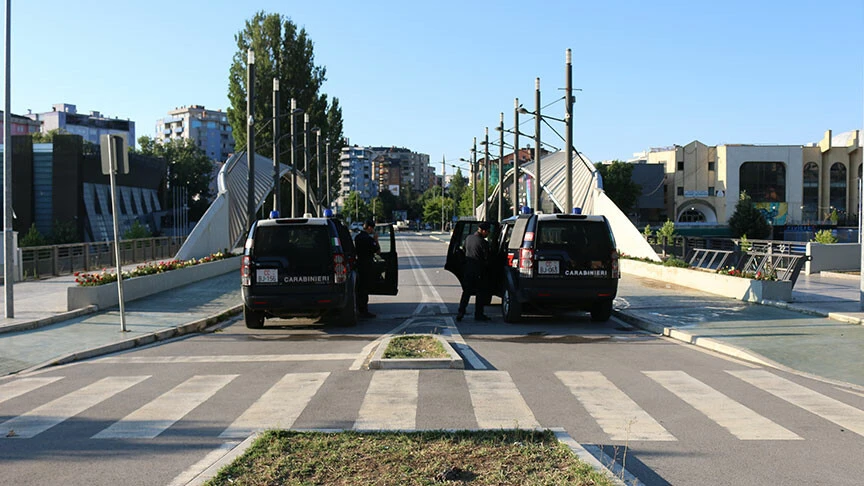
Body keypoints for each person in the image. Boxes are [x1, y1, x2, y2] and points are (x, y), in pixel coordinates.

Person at [457, 222, 492, 322]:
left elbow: (463, 251)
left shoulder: (468, 238)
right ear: (484, 231)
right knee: (480, 294)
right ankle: (479, 314)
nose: (488, 234)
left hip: (468, 270)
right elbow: (487, 258)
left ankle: (461, 312)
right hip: (479, 272)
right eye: (488, 232)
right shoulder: (483, 243)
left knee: (466, 293)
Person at [354, 219, 380, 318]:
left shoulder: (357, 237)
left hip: (359, 264)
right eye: (373, 228)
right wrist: (376, 239)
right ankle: (364, 311)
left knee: (360, 288)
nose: (373, 230)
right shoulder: (369, 240)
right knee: (365, 289)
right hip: (367, 265)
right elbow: (378, 251)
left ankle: (359, 308)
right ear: (369, 227)